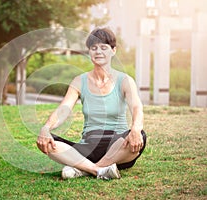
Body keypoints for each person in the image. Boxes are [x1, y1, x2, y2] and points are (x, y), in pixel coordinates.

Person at [36, 27, 147, 180]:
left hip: (117, 147)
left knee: (140, 135)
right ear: (89, 52)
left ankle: (82, 169)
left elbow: (136, 107)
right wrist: (46, 127)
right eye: (94, 48)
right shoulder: (79, 81)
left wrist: (135, 129)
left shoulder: (125, 80)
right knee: (48, 142)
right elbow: (64, 109)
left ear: (113, 50)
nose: (98, 52)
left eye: (104, 47)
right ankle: (98, 170)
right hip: (88, 147)